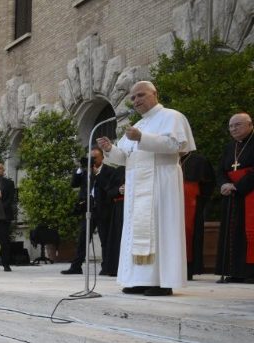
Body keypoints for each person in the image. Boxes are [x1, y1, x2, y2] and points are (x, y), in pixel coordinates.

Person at [97, 81, 194, 296]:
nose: (136, 100)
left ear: (154, 94)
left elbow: (178, 146)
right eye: (132, 98)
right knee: (136, 233)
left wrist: (142, 138)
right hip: (137, 185)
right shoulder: (138, 125)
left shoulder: (172, 116)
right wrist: (110, 148)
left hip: (161, 180)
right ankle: (140, 279)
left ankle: (163, 281)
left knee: (161, 229)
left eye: (140, 95)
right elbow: (123, 157)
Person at [62, 149, 118, 275]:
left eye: (95, 158)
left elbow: (109, 188)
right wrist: (80, 169)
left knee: (105, 240)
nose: (92, 160)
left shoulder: (109, 171)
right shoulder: (85, 171)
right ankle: (76, 266)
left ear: (102, 158)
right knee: (83, 239)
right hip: (88, 209)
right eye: (90, 158)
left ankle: (107, 267)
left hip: (103, 209)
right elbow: (74, 184)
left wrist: (97, 174)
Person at [215, 113, 254, 282]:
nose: (233, 129)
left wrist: (237, 186)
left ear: (250, 124)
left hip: (249, 193)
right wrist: (224, 184)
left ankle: (250, 273)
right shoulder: (230, 147)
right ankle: (236, 272)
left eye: (237, 125)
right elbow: (221, 170)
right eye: (231, 126)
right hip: (233, 197)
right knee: (233, 234)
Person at [180, 150, 216, 279]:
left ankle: (189, 269)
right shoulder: (166, 158)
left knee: (189, 233)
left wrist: (200, 202)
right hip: (171, 201)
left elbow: (208, 185)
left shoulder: (199, 160)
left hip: (191, 203)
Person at [0, 163, 17, 272]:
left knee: (4, 241)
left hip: (4, 216)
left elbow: (10, 200)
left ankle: (6, 264)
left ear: (3, 170)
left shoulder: (9, 183)